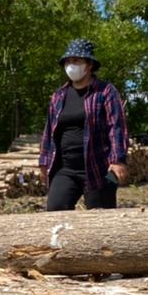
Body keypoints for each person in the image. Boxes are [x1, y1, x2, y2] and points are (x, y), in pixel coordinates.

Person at [38, 39, 129, 211]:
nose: (71, 65)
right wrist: (44, 161)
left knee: (100, 219)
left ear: (89, 65)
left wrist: (118, 160)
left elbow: (116, 127)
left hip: (99, 168)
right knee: (55, 209)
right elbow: (49, 131)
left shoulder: (106, 92)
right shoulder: (59, 96)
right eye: (68, 61)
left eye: (77, 61)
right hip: (66, 168)